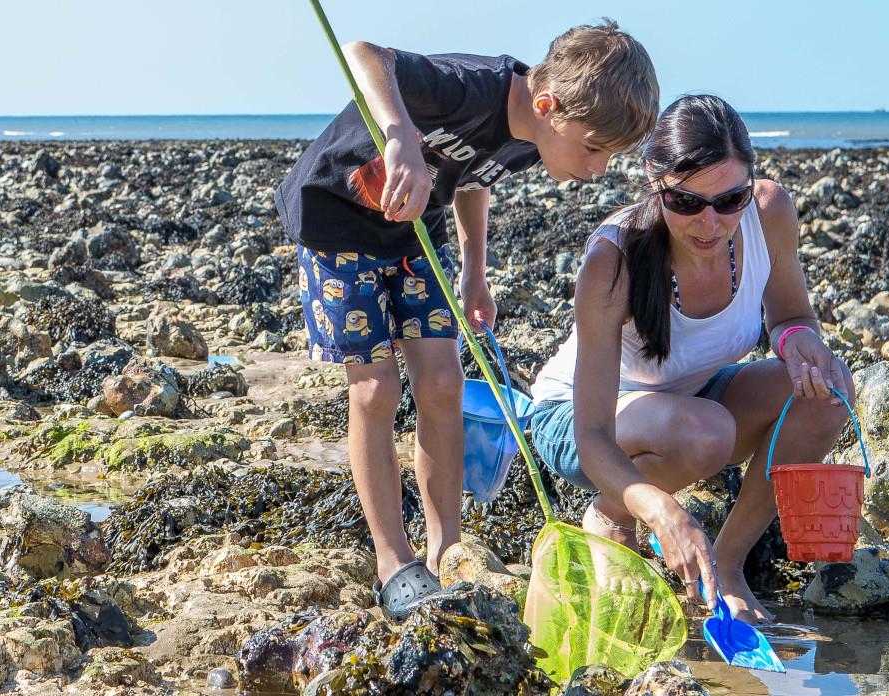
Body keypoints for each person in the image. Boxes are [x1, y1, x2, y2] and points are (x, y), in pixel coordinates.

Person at [274, 19, 659, 619]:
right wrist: (399, 136)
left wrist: (475, 269)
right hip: (335, 220)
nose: (597, 169)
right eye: (593, 148)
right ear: (548, 104)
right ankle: (391, 559)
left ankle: (445, 545)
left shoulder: (534, 135)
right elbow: (364, 54)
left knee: (444, 382)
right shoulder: (469, 88)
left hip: (414, 232)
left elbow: (476, 178)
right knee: (376, 389)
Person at [527, 94, 854, 624]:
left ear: (750, 185)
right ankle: (610, 510)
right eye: (686, 203)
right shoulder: (614, 259)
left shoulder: (768, 214)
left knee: (829, 391)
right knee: (707, 433)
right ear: (655, 183)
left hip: (686, 399)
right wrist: (660, 510)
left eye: (729, 200)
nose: (710, 223)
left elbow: (792, 315)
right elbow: (591, 437)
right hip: (579, 420)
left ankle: (725, 565)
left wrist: (798, 341)